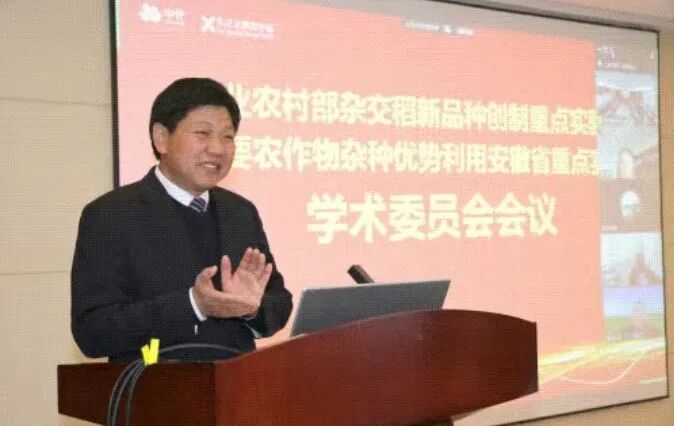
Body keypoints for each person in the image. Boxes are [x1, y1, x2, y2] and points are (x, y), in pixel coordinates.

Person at [71, 78, 292, 361]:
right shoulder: (110, 215)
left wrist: (251, 308)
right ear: (161, 138)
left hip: (237, 381)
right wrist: (193, 305)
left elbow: (278, 300)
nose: (218, 148)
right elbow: (92, 331)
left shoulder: (240, 211)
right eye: (203, 133)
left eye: (228, 136)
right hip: (155, 382)